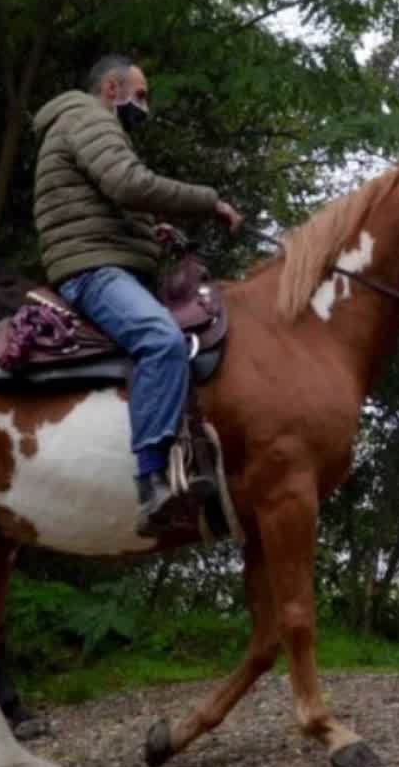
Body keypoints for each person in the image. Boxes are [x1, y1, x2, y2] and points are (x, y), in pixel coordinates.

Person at [31, 53, 243, 536]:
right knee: (161, 340)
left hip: (105, 261)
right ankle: (152, 479)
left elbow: (104, 201)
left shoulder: (82, 125)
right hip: (93, 271)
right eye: (140, 95)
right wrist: (208, 203)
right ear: (112, 87)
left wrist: (153, 231)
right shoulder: (89, 119)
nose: (144, 107)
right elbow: (128, 184)